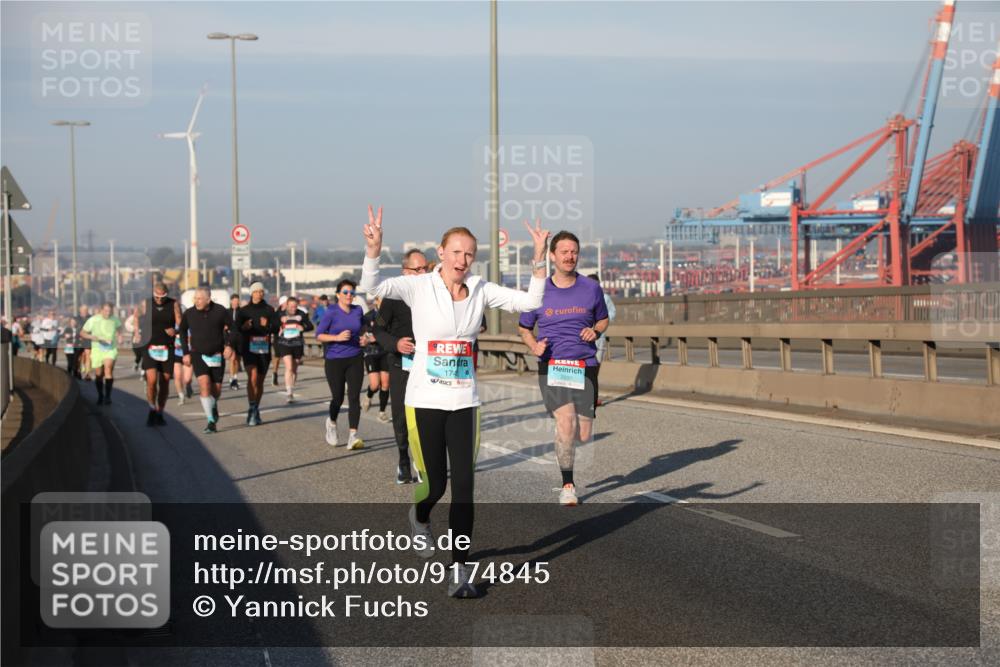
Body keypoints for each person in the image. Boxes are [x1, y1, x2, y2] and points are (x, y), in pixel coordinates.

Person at [360, 205, 549, 598]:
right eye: (456, 252)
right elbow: (373, 289)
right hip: (425, 399)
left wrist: (537, 259)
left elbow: (530, 303)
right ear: (441, 253)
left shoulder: (480, 288)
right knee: (435, 485)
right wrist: (374, 250)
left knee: (464, 487)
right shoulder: (419, 286)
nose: (463, 260)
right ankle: (419, 515)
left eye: (469, 254)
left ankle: (460, 571)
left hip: (464, 401)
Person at [519, 233, 610, 507]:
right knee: (566, 422)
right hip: (553, 365)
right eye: (564, 252)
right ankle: (567, 485)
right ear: (553, 256)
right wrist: (534, 345)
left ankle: (565, 439)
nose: (569, 256)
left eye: (574, 252)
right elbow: (524, 328)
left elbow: (604, 320)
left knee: (582, 433)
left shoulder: (591, 288)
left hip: (585, 366)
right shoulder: (539, 291)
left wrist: (594, 331)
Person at [373, 248, 428, 484]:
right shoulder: (393, 298)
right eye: (419, 269)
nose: (424, 272)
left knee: (427, 415)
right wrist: (395, 343)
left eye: (426, 268)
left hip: (428, 365)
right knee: (402, 416)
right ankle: (403, 460)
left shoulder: (433, 293)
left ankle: (424, 460)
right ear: (405, 272)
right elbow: (378, 330)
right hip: (400, 363)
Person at [316, 279, 366, 449]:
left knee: (354, 397)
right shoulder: (331, 312)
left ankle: (353, 436)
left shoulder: (358, 310)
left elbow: (364, 330)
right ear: (338, 294)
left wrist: (365, 339)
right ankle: (331, 422)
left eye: (352, 292)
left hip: (355, 358)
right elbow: (319, 334)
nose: (349, 295)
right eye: (345, 292)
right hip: (334, 360)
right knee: (338, 397)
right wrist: (336, 338)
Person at [178, 286, 233, 434]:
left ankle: (213, 405)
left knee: (216, 391)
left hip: (217, 354)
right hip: (198, 354)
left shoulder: (220, 311)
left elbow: (233, 329)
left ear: (208, 299)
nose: (196, 301)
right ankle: (210, 421)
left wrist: (229, 346)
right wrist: (186, 352)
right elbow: (182, 330)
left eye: (200, 298)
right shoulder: (189, 313)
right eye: (195, 298)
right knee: (204, 385)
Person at [138, 282, 183, 426]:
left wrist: (175, 331)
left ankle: (160, 411)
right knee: (151, 381)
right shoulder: (146, 303)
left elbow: (181, 325)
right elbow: (135, 316)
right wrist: (137, 332)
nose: (158, 300)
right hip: (150, 346)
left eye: (161, 297)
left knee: (164, 381)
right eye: (156, 297)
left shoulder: (174, 304)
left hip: (167, 347)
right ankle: (151, 409)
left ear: (166, 294)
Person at [236, 282, 276, 426]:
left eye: (261, 291)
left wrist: (268, 326)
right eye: (257, 291)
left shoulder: (269, 310)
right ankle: (252, 407)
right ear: (252, 293)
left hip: (263, 349)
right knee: (252, 377)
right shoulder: (244, 311)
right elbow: (236, 329)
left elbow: (277, 329)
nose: (259, 293)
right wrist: (244, 327)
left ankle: (255, 408)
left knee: (259, 381)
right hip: (248, 348)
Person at [80, 302, 123, 405]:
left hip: (110, 349)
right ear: (101, 310)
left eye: (110, 311)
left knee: (108, 369)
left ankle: (108, 396)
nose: (108, 313)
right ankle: (100, 395)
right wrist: (92, 337)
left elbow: (119, 328)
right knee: (99, 374)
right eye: (106, 311)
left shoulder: (114, 319)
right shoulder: (94, 320)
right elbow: (82, 333)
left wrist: (120, 335)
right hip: (97, 350)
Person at [275, 295, 314, 403]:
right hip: (284, 343)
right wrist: (279, 326)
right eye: (291, 306)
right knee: (289, 367)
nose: (293, 309)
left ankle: (291, 387)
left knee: (295, 369)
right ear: (286, 305)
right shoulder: (280, 314)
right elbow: (273, 325)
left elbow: (310, 326)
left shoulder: (301, 314)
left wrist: (303, 328)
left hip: (297, 344)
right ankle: (289, 392)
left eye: (295, 306)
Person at [361, 297, 390, 422]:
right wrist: (365, 339)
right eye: (380, 300)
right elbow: (362, 333)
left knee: (385, 384)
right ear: (376, 301)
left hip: (385, 352)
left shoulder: (390, 315)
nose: (383, 302)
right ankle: (368, 396)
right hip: (371, 352)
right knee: (374, 385)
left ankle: (382, 413)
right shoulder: (368, 316)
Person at [588, 274, 616, 365]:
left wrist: (603, 320)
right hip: (585, 336)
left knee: (598, 361)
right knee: (587, 361)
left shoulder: (605, 298)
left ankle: (595, 377)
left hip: (600, 335)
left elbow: (612, 312)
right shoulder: (582, 298)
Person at [227, 293, 242, 390]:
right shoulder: (227, 312)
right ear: (231, 301)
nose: (236, 303)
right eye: (234, 301)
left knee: (237, 359)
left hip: (240, 338)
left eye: (237, 301)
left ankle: (235, 377)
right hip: (230, 337)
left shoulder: (242, 312)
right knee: (232, 358)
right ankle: (232, 378)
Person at [77, 305, 92, 380]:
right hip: (78, 340)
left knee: (88, 356)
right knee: (80, 357)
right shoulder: (76, 318)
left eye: (86, 310)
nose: (85, 311)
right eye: (83, 310)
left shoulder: (91, 318)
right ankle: (79, 371)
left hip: (87, 340)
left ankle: (87, 374)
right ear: (80, 310)